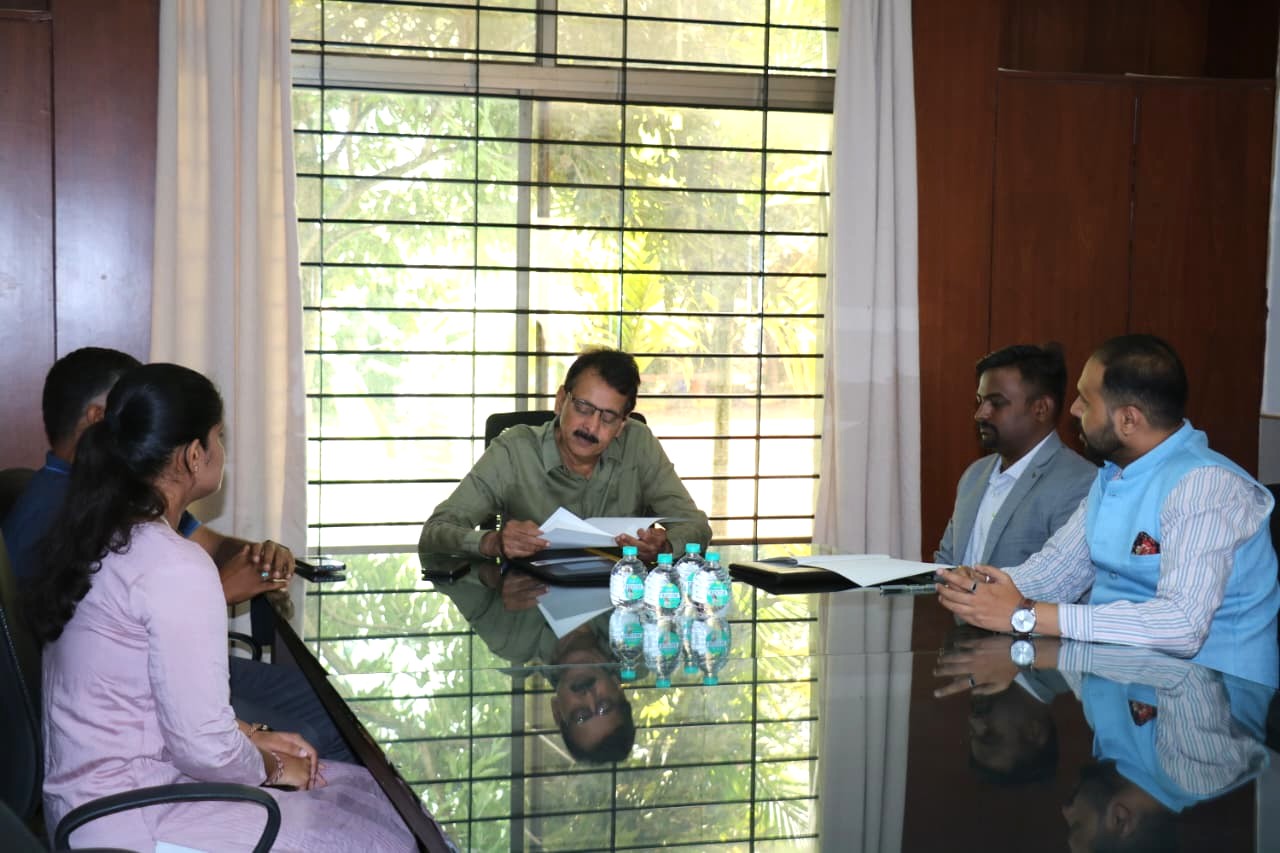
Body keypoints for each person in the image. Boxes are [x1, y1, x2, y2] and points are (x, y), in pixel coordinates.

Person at [25, 363, 415, 851]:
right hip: (135, 819)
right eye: (219, 437)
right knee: (384, 830)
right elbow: (204, 749)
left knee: (364, 790)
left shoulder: (100, 531)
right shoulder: (172, 564)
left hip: (92, 801)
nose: (221, 450)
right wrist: (274, 767)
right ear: (194, 455)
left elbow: (151, 699)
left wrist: (254, 734)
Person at [4, 347, 351, 760]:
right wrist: (217, 593)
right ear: (101, 419)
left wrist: (257, 555)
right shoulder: (64, 510)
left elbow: (206, 546)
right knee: (312, 734)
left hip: (158, 664)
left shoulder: (120, 498)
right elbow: (109, 645)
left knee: (328, 702)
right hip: (121, 706)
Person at [937, 334, 1280, 686]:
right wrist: (979, 586)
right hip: (1124, 685)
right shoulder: (1113, 475)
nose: (1073, 410)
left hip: (1216, 699)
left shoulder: (1206, 485)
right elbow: (1057, 571)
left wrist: (1026, 614)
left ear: (1128, 419)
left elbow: (1181, 626)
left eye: (1086, 401)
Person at [419, 348, 712, 564]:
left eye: (608, 417)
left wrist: (665, 547)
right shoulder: (514, 450)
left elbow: (697, 526)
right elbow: (435, 531)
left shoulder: (638, 443)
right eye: (583, 407)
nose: (591, 427)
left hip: (620, 607)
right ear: (561, 401)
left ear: (622, 425)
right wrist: (492, 542)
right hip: (527, 604)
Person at [426, 554, 636, 763]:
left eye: (580, 715)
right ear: (618, 688)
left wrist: (490, 574)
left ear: (557, 711)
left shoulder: (509, 636)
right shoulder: (634, 637)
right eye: (604, 706)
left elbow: (434, 560)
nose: (588, 695)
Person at [935, 343, 1095, 569]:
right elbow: (944, 564)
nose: (980, 414)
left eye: (996, 403)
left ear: (1041, 408)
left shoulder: (1080, 483)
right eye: (980, 402)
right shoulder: (975, 474)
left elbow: (1061, 580)